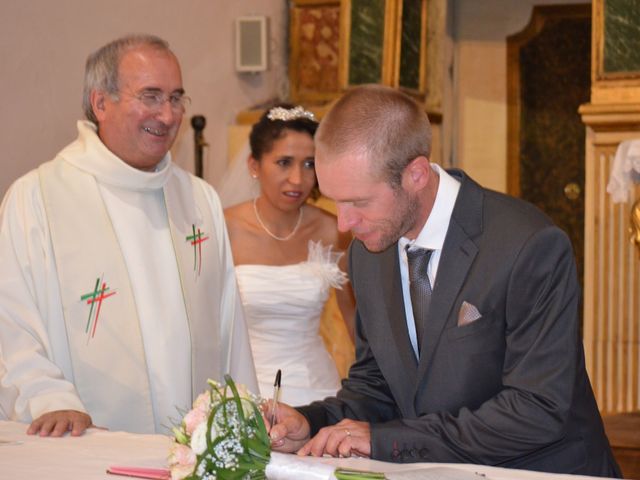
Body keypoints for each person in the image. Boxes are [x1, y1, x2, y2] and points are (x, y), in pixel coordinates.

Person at [268, 85, 621, 477]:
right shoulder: (368, 253)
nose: (345, 223)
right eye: (334, 200)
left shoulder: (527, 245)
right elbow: (377, 385)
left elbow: (536, 410)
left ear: (416, 174)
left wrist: (389, 440)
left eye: (359, 202)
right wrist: (313, 423)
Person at [0, 34, 257, 437]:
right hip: (81, 441)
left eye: (176, 98)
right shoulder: (37, 198)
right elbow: (11, 322)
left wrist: (239, 423)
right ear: (100, 102)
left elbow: (230, 329)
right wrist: (51, 400)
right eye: (151, 96)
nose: (169, 115)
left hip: (194, 447)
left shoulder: (199, 200)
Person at [224, 104, 355, 406]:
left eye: (309, 164)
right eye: (284, 162)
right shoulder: (224, 228)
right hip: (244, 388)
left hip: (315, 388)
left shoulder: (335, 230)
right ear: (254, 165)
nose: (297, 179)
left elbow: (356, 324)